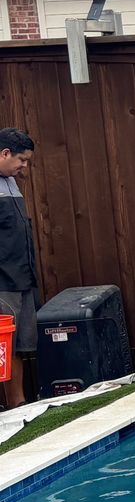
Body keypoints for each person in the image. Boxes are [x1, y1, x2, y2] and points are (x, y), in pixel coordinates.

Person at [0, 129, 36, 408]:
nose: (25, 166)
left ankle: (18, 403)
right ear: (5, 153)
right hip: (2, 279)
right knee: (4, 344)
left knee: (21, 344)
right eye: (22, 160)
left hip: (22, 276)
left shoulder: (11, 182)